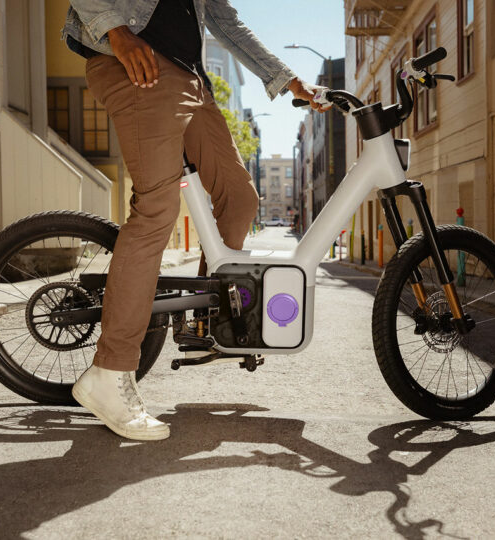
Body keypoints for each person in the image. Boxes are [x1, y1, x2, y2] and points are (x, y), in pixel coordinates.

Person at [61, 0, 329, 441]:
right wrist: (116, 32)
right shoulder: (124, 42)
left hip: (190, 78)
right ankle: (108, 372)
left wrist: (287, 79)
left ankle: (210, 323)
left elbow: (223, 19)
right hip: (137, 62)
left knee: (240, 199)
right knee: (156, 209)